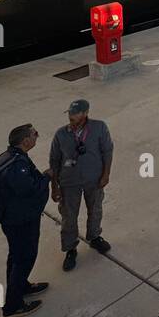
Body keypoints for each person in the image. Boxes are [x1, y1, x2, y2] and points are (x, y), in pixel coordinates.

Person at [0, 124, 50, 317]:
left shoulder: (8, 157)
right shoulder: (18, 165)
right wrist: (47, 176)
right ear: (25, 140)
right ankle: (12, 307)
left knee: (16, 257)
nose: (37, 136)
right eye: (35, 134)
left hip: (13, 218)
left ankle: (22, 286)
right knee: (25, 258)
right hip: (20, 220)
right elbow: (31, 190)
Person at [50, 99, 114, 272]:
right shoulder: (61, 134)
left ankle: (95, 237)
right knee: (69, 216)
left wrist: (106, 174)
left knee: (95, 208)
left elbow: (107, 151)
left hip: (94, 179)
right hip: (69, 182)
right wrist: (54, 186)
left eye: (75, 113)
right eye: (70, 113)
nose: (71, 116)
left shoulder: (99, 128)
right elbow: (54, 160)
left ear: (85, 113)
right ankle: (70, 248)